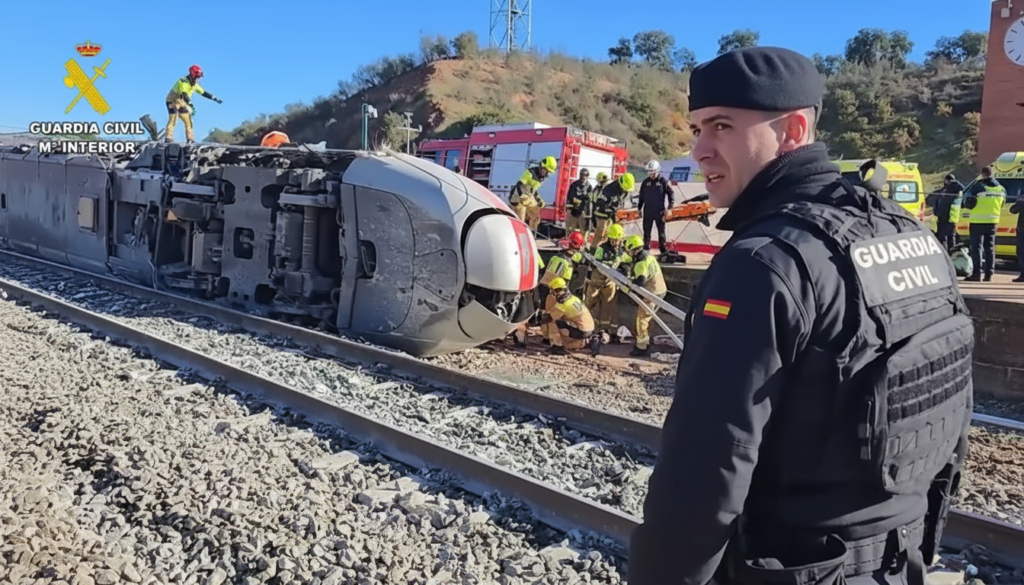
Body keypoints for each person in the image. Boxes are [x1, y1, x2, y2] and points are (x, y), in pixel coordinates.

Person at [628, 46, 974, 585]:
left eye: (721, 126)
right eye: (697, 129)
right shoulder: (910, 234)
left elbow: (706, 470)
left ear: (791, 131)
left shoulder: (762, 264)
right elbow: (948, 407)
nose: (699, 150)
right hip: (901, 561)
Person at [619, 234, 666, 357]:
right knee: (649, 317)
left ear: (633, 249)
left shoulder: (641, 263)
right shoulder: (648, 256)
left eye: (629, 250)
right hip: (660, 290)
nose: (628, 253)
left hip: (651, 294)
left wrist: (629, 285)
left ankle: (642, 347)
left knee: (642, 319)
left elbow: (640, 281)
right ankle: (646, 341)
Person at [584, 223, 629, 342]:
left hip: (610, 282)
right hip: (597, 280)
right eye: (613, 240)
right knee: (590, 302)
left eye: (617, 240)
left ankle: (605, 330)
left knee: (608, 305)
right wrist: (589, 277)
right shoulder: (601, 248)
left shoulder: (621, 250)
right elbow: (596, 264)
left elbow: (626, 260)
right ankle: (586, 325)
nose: (615, 242)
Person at [962, 166, 1006, 282]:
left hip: (977, 221)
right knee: (990, 248)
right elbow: (1002, 204)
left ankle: (976, 274)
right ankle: (989, 274)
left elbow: (967, 201)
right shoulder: (1001, 189)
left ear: (982, 174)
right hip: (993, 222)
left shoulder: (978, 187)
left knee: (977, 248)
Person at [539, 277, 597, 355]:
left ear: (557, 291)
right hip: (588, 328)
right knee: (566, 343)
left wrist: (534, 320)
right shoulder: (573, 298)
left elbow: (548, 318)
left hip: (580, 330)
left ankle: (557, 346)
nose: (552, 294)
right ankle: (584, 342)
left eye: (552, 292)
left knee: (553, 322)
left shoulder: (563, 304)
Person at [165, 65, 223, 143]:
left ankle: (190, 139)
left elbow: (203, 92)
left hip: (182, 102)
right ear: (192, 75)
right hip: (172, 101)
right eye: (197, 77)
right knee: (174, 118)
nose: (198, 79)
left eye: (199, 77)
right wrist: (191, 105)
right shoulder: (183, 81)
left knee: (188, 120)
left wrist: (214, 98)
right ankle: (168, 137)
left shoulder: (194, 85)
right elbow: (184, 95)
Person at [509, 156, 557, 232]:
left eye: (548, 172)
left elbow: (533, 191)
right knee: (520, 221)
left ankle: (532, 232)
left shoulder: (541, 179)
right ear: (541, 166)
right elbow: (519, 185)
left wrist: (540, 201)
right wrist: (522, 195)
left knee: (536, 217)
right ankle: (518, 234)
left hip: (528, 197)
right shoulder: (529, 173)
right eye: (545, 170)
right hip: (518, 199)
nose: (546, 173)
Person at [638, 160, 675, 252]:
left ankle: (663, 250)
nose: (652, 175)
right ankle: (646, 249)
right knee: (646, 232)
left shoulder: (663, 181)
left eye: (653, 173)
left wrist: (669, 208)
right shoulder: (645, 182)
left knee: (661, 232)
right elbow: (641, 196)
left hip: (659, 211)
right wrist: (639, 208)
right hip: (648, 211)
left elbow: (671, 193)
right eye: (650, 173)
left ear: (658, 171)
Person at [592, 173, 635, 250]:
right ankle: (593, 249)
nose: (625, 190)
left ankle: (613, 248)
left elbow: (621, 201)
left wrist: (620, 213)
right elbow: (600, 204)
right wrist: (613, 210)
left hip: (614, 211)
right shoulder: (609, 189)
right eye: (625, 188)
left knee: (618, 230)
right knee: (601, 232)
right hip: (602, 211)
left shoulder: (624, 190)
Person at [925, 174, 964, 251]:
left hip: (945, 217)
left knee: (943, 238)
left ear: (946, 180)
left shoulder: (949, 190)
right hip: (952, 218)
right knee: (951, 237)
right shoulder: (957, 190)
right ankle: (951, 253)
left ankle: (945, 253)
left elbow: (933, 201)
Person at [565, 168, 593, 236]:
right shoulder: (574, 185)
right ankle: (569, 240)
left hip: (583, 211)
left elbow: (590, 199)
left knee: (583, 231)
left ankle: (583, 241)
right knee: (570, 230)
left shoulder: (589, 186)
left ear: (588, 176)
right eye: (582, 174)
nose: (583, 177)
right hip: (573, 211)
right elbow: (570, 197)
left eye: (585, 175)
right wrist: (576, 202)